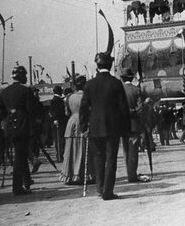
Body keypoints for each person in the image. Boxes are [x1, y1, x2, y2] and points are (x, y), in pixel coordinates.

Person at [79, 53, 130, 200]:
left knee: (98, 159)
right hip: (113, 128)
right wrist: (125, 129)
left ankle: (100, 189)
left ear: (97, 65)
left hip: (95, 128)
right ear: (110, 65)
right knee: (111, 159)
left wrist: (84, 127)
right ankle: (108, 192)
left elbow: (83, 108)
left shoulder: (89, 84)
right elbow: (123, 108)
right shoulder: (116, 83)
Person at [0, 66, 36, 196]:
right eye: (25, 75)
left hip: (10, 127)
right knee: (20, 157)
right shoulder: (25, 91)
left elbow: (2, 112)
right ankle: (17, 187)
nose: (26, 77)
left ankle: (26, 180)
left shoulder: (4, 92)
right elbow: (31, 109)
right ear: (21, 76)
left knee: (20, 153)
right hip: (22, 126)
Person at [59, 76, 94, 185]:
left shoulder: (69, 97)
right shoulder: (87, 96)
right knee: (83, 148)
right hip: (83, 121)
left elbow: (67, 113)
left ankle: (70, 174)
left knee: (71, 148)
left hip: (72, 122)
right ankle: (85, 174)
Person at [121, 68, 150, 183]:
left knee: (125, 150)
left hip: (122, 124)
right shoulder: (136, 90)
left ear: (122, 79)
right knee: (133, 150)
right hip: (134, 124)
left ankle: (129, 172)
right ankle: (132, 174)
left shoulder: (119, 91)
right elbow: (140, 109)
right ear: (132, 78)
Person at [49, 85, 67, 163]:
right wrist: (55, 119)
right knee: (59, 140)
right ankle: (59, 157)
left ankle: (60, 156)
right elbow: (54, 111)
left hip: (59, 121)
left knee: (59, 140)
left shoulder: (55, 99)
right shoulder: (56, 100)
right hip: (59, 122)